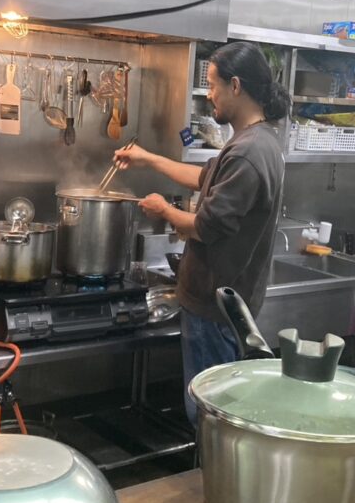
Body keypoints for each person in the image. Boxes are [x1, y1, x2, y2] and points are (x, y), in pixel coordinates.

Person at [114, 41, 290, 425]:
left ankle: (210, 465)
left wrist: (164, 210)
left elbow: (204, 227)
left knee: (210, 414)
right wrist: (148, 158)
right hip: (223, 304)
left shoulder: (247, 152)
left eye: (212, 85)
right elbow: (202, 178)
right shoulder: (255, 143)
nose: (209, 95)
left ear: (236, 86)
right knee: (218, 408)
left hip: (216, 307)